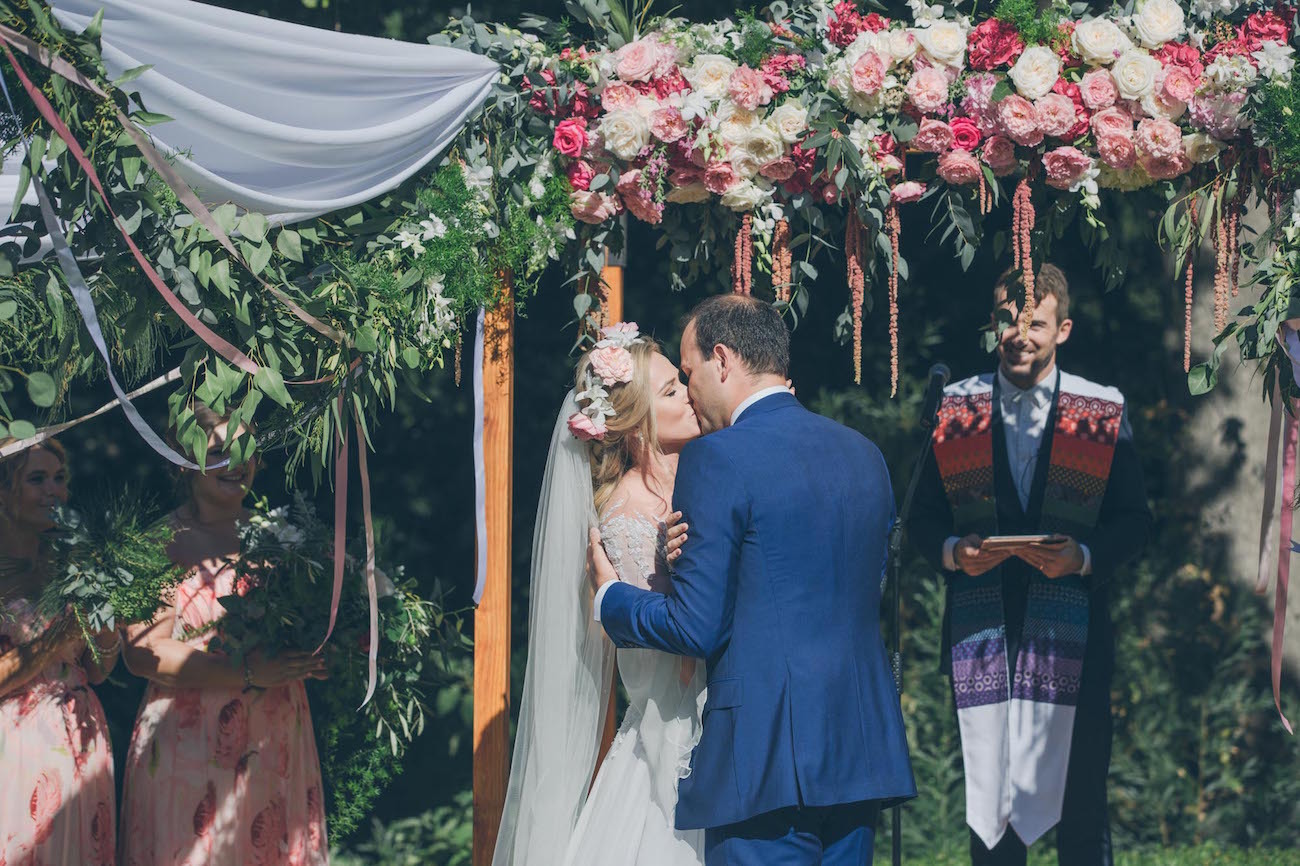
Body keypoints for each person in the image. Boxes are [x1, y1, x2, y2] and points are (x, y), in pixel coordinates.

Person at [588, 295, 916, 866]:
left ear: (721, 360)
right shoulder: (865, 454)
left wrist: (611, 599)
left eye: (688, 374)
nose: (688, 392)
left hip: (764, 760)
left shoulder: (717, 459)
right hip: (860, 753)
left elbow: (696, 627)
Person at [908, 264, 1151, 866]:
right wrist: (952, 553)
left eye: (1035, 322)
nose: (1020, 333)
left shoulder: (1099, 411)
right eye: (1008, 319)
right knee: (993, 821)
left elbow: (1136, 520)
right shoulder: (955, 407)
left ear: (1062, 329)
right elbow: (919, 519)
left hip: (1078, 640)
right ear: (992, 324)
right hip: (982, 637)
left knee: (1082, 812)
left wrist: (1085, 558)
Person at [493, 323, 704, 866]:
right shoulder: (628, 515)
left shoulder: (699, 481)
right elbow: (669, 644)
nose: (689, 393)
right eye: (671, 392)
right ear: (636, 426)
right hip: (675, 731)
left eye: (681, 382)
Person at [119, 405, 330, 866]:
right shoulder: (159, 544)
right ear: (182, 459)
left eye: (246, 448)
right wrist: (250, 672)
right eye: (219, 451)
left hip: (276, 746)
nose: (238, 462)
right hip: (191, 750)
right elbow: (144, 653)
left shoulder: (280, 539)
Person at [0, 439, 118, 866]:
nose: (54, 490)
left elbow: (100, 669)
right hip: (11, 747)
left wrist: (107, 617)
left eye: (59, 478)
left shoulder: (70, 563)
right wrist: (53, 639)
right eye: (37, 479)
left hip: (81, 737)